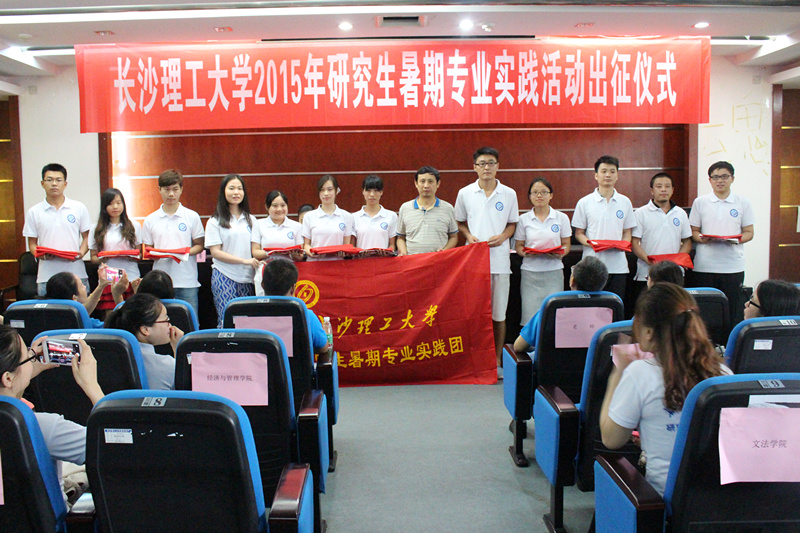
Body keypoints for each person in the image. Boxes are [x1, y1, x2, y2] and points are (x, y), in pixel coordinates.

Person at [600, 283, 729, 496]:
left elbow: (611, 439)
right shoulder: (723, 372)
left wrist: (617, 376)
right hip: (715, 498)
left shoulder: (639, 373)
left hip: (662, 497)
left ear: (648, 332)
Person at [0, 325, 103, 481]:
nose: (32, 357)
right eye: (28, 356)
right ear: (8, 378)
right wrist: (92, 385)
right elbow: (113, 448)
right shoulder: (40, 427)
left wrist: (22, 374)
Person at [455, 147, 519, 369]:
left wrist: (502, 237)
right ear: (475, 167)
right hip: (474, 263)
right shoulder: (465, 193)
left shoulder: (509, 194)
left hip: (500, 262)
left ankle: (497, 359)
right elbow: (460, 222)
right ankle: (474, 359)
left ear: (497, 166)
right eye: (482, 163)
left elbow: (512, 224)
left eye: (491, 163)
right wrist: (468, 236)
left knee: (498, 314)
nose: (487, 167)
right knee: (474, 313)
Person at [689, 161, 754, 326]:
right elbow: (693, 231)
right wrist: (702, 238)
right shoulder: (700, 202)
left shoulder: (742, 202)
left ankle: (727, 340)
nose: (720, 180)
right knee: (703, 311)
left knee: (731, 310)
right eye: (716, 177)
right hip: (704, 266)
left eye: (725, 176)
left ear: (732, 178)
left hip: (732, 266)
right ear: (710, 180)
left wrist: (735, 240)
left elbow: (749, 232)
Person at [141, 169, 205, 317]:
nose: (171, 194)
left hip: (187, 281)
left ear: (181, 189)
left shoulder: (192, 216)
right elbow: (148, 249)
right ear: (159, 189)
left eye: (175, 189)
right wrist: (160, 254)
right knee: (158, 321)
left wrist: (182, 253)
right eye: (167, 189)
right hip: (160, 282)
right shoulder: (150, 219)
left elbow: (200, 245)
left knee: (189, 321)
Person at [572, 155, 636, 302]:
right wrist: (593, 244)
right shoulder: (584, 202)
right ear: (596, 175)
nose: (608, 175)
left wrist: (624, 244)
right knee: (591, 307)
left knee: (615, 305)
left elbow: (627, 232)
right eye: (604, 171)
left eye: (612, 171)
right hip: (591, 267)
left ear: (617, 175)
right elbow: (579, 233)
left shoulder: (625, 202)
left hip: (618, 266)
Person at [23, 163, 92, 296]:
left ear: (65, 184)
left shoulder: (78, 208)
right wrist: (41, 255)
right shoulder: (34, 212)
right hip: (46, 276)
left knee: (80, 308)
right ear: (42, 183)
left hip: (76, 274)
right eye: (49, 180)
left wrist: (81, 253)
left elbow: (87, 237)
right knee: (49, 309)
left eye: (58, 180)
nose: (54, 184)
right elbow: (32, 244)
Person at [513, 256, 609, 353]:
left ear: (572, 281)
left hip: (552, 362)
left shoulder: (553, 305)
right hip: (595, 363)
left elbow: (518, 346)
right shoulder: (609, 308)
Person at [514, 177, 572, 326]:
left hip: (554, 271)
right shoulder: (523, 219)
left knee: (553, 314)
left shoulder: (561, 218)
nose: (539, 195)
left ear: (551, 195)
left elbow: (566, 244)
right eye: (535, 192)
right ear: (530, 196)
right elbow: (519, 246)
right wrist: (525, 253)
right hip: (530, 273)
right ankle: (531, 342)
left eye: (544, 192)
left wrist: (560, 253)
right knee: (530, 315)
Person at [205, 174, 260, 328]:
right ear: (223, 192)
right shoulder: (214, 221)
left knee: (247, 323)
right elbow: (215, 253)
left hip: (247, 277)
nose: (236, 192)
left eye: (239, 189)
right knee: (226, 320)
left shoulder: (251, 220)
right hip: (224, 275)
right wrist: (243, 261)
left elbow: (256, 249)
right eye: (231, 188)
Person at [631, 172, 691, 303]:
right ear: (652, 190)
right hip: (647, 273)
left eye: (667, 186)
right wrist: (649, 261)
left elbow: (687, 241)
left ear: (672, 190)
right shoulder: (641, 213)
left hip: (674, 274)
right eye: (659, 186)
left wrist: (676, 261)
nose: (663, 189)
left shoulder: (681, 213)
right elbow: (635, 243)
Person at [105, 292, 183, 390]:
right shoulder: (168, 365)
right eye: (166, 320)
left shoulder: (110, 358)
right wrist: (178, 349)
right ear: (145, 329)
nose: (170, 325)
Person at [261, 258, 330, 354]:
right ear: (293, 288)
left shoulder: (246, 313)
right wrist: (326, 334)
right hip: (296, 364)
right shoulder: (305, 315)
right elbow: (323, 348)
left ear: (262, 285)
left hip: (255, 364)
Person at [89, 188, 141, 313]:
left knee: (132, 315)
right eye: (111, 204)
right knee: (111, 316)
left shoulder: (134, 225)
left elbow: (139, 254)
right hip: (109, 278)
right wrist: (104, 257)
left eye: (118, 203)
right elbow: (93, 258)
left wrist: (130, 256)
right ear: (104, 207)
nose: (115, 207)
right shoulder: (96, 228)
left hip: (131, 276)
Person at [396, 166, 458, 256]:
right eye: (422, 181)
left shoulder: (448, 208)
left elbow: (454, 237)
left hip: (438, 260)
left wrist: (444, 251)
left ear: (438, 184)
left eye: (430, 181)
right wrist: (403, 252)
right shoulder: (405, 208)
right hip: (412, 260)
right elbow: (400, 237)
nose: (426, 186)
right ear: (416, 184)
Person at [45, 267, 127, 327]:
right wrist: (118, 295)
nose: (85, 287)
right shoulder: (88, 323)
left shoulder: (46, 320)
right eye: (81, 285)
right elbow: (118, 325)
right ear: (74, 298)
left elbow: (83, 311)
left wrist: (101, 286)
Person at [302, 175, 354, 260]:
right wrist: (310, 252)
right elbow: (306, 245)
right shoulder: (309, 216)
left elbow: (346, 244)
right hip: (315, 263)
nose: (326, 193)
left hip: (337, 263)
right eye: (322, 190)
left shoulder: (347, 216)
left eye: (330, 189)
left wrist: (344, 251)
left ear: (337, 191)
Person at [252, 190, 304, 259]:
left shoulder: (297, 226)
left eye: (283, 205)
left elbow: (300, 256)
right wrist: (271, 252)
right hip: (267, 264)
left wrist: (295, 255)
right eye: (275, 206)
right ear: (267, 207)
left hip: (289, 265)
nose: (279, 209)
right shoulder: (258, 224)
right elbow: (255, 252)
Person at [353, 175, 398, 251]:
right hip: (361, 258)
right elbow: (352, 246)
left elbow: (392, 245)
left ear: (381, 192)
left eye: (376, 191)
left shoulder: (391, 216)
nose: (372, 194)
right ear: (363, 192)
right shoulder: (354, 217)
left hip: (383, 258)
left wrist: (386, 252)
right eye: (368, 191)